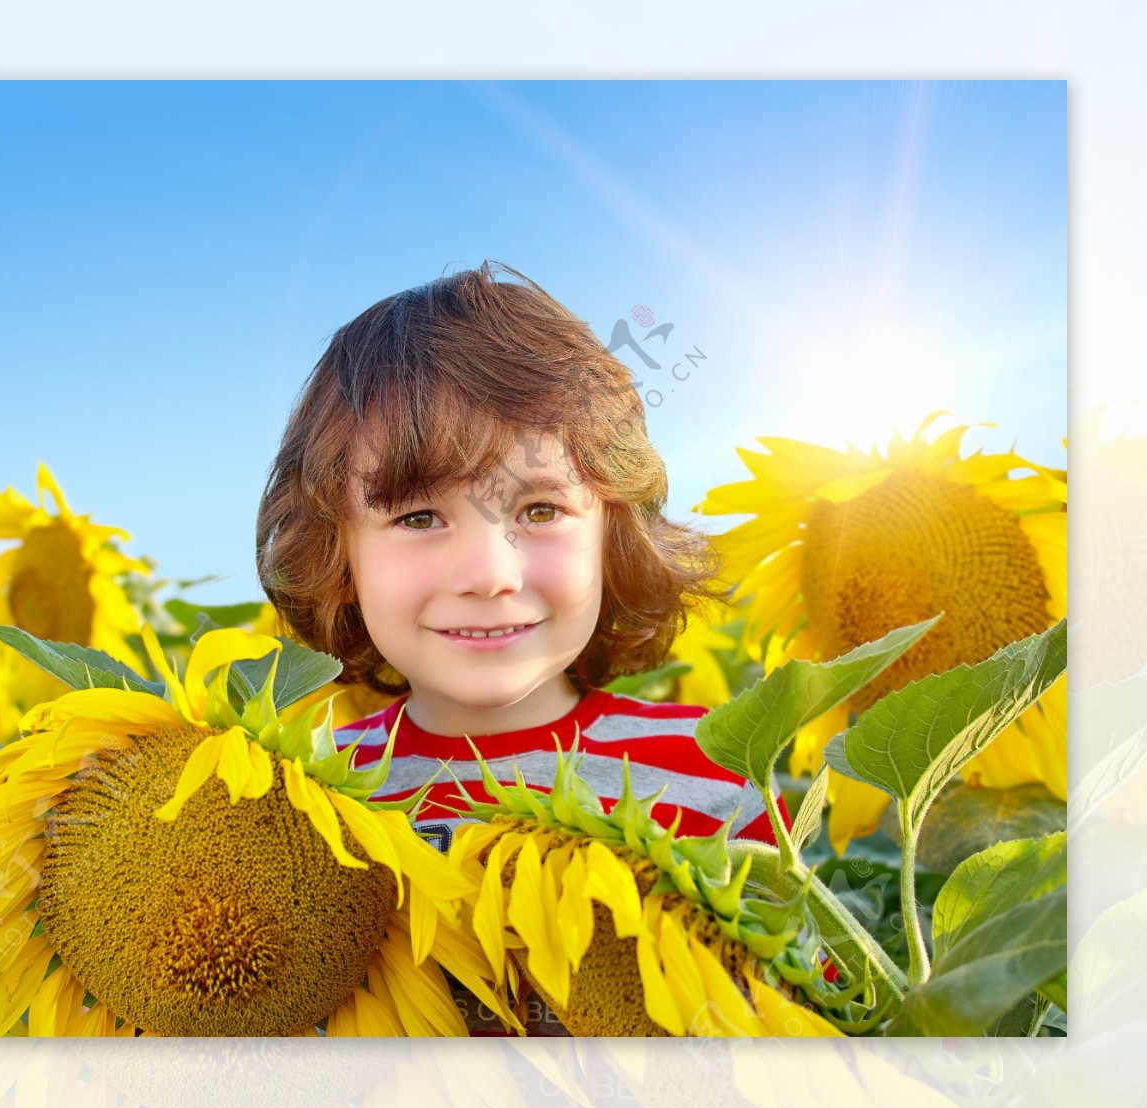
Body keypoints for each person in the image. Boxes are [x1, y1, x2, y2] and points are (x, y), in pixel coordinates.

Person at [254, 261, 789, 1035]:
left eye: (540, 508)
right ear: (337, 553)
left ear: (613, 533)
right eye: (417, 518)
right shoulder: (300, 802)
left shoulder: (721, 772)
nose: (489, 575)